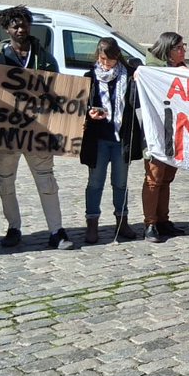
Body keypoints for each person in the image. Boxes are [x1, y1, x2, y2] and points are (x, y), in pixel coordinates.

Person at [0, 5, 75, 250]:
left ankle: (57, 230)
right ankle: (13, 227)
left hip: (37, 130)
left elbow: (57, 93)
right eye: (15, 25)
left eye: (24, 24)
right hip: (5, 130)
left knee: (46, 181)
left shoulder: (45, 58)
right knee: (5, 181)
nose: (20, 29)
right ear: (6, 28)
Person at [80, 38, 141, 244]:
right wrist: (89, 112)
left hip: (120, 138)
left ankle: (122, 221)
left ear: (117, 57)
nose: (106, 64)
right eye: (103, 59)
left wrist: (139, 77)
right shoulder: (90, 77)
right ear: (98, 56)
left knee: (120, 183)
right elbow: (80, 106)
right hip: (98, 139)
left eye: (111, 60)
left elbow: (138, 103)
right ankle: (92, 223)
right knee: (95, 183)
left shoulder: (129, 76)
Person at [140, 32, 188, 243]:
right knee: (154, 178)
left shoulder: (180, 69)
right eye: (180, 48)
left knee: (167, 178)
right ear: (168, 50)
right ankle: (150, 223)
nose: (183, 51)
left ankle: (163, 220)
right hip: (157, 132)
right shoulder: (152, 71)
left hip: (175, 131)